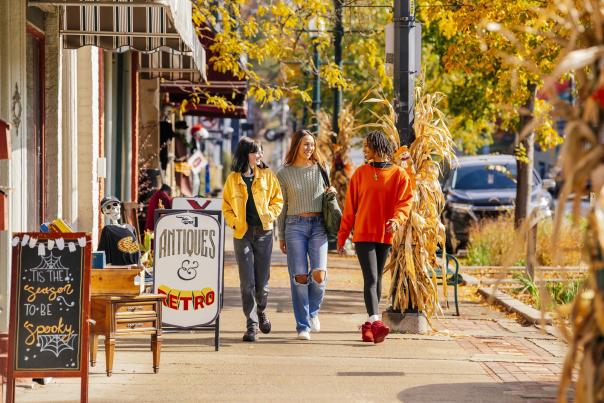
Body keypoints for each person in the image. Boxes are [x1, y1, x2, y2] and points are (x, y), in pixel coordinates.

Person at [337, 130, 413, 343]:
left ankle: (369, 329)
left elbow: (404, 202)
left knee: (378, 278)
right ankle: (376, 320)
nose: (365, 149)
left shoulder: (399, 174)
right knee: (370, 278)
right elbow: (350, 209)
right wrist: (342, 237)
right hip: (363, 234)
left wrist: (397, 220)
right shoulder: (360, 174)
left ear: (378, 147)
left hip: (385, 235)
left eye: (368, 145)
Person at [277, 129, 336, 340]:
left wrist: (332, 194)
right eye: (305, 144)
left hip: (318, 225)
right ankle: (302, 325)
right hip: (294, 226)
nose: (309, 148)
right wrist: (281, 235)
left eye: (312, 144)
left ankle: (312, 312)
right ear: (296, 146)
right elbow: (281, 207)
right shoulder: (283, 173)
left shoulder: (321, 168)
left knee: (319, 274)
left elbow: (328, 196)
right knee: (300, 277)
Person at [222, 138, 284, 342]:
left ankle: (262, 311)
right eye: (256, 152)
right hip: (243, 234)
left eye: (261, 153)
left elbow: (278, 199)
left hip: (264, 233)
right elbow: (226, 206)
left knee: (262, 281)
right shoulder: (232, 179)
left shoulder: (267, 176)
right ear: (245, 154)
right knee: (246, 282)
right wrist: (234, 222)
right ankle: (251, 325)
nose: (260, 156)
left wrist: (269, 214)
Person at [98, 196, 141, 265]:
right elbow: (103, 254)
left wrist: (141, 267)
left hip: (135, 268)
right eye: (108, 207)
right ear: (104, 212)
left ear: (119, 206)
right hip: (120, 270)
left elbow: (138, 252)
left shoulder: (130, 228)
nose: (113, 208)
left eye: (115, 204)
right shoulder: (108, 230)